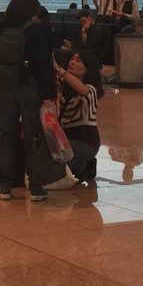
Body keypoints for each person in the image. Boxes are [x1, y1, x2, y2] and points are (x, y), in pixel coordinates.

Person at [0, 0, 54, 201]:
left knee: (7, 135)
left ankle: (5, 185)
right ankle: (35, 186)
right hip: (29, 89)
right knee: (31, 136)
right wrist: (49, 94)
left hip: (5, 88)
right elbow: (44, 65)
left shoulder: (1, 28)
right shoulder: (34, 31)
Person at [55, 50, 101, 185]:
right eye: (72, 59)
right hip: (69, 140)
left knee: (55, 154)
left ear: (88, 69)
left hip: (86, 143)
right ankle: (81, 165)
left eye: (78, 61)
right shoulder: (66, 87)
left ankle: (83, 163)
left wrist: (59, 69)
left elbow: (82, 90)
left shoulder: (91, 90)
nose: (72, 62)